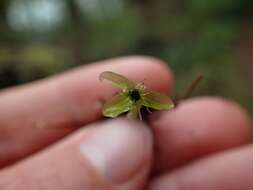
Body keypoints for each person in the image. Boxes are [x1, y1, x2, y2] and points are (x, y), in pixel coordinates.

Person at [0, 56, 251, 190]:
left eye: (136, 95)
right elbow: (110, 100)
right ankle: (46, 125)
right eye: (133, 94)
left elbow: (163, 104)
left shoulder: (149, 102)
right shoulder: (122, 99)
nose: (135, 94)